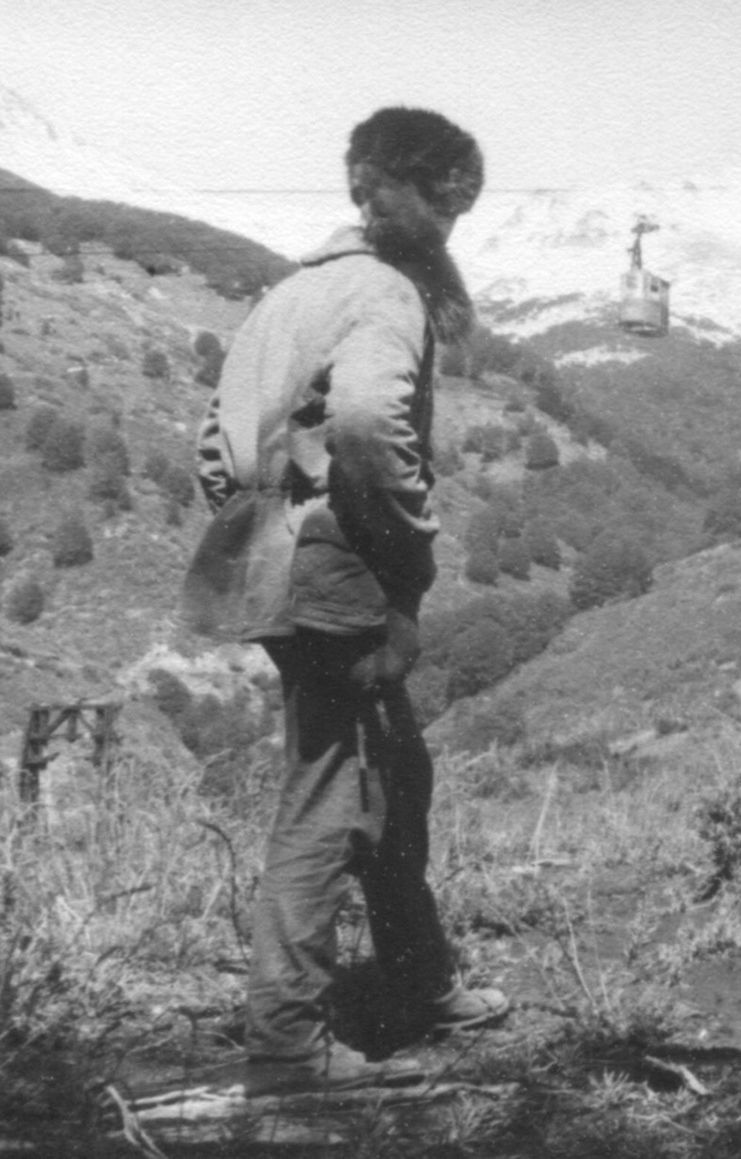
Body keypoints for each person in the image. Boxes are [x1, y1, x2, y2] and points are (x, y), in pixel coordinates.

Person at [181, 107, 507, 1096]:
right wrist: (403, 555)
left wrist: (268, 520)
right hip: (341, 578)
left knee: (393, 775)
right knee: (330, 796)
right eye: (450, 196)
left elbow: (214, 443)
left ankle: (420, 981)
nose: (454, 219)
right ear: (403, 189)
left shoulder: (292, 292)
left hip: (281, 571)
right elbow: (367, 424)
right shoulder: (386, 293)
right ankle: (285, 1049)